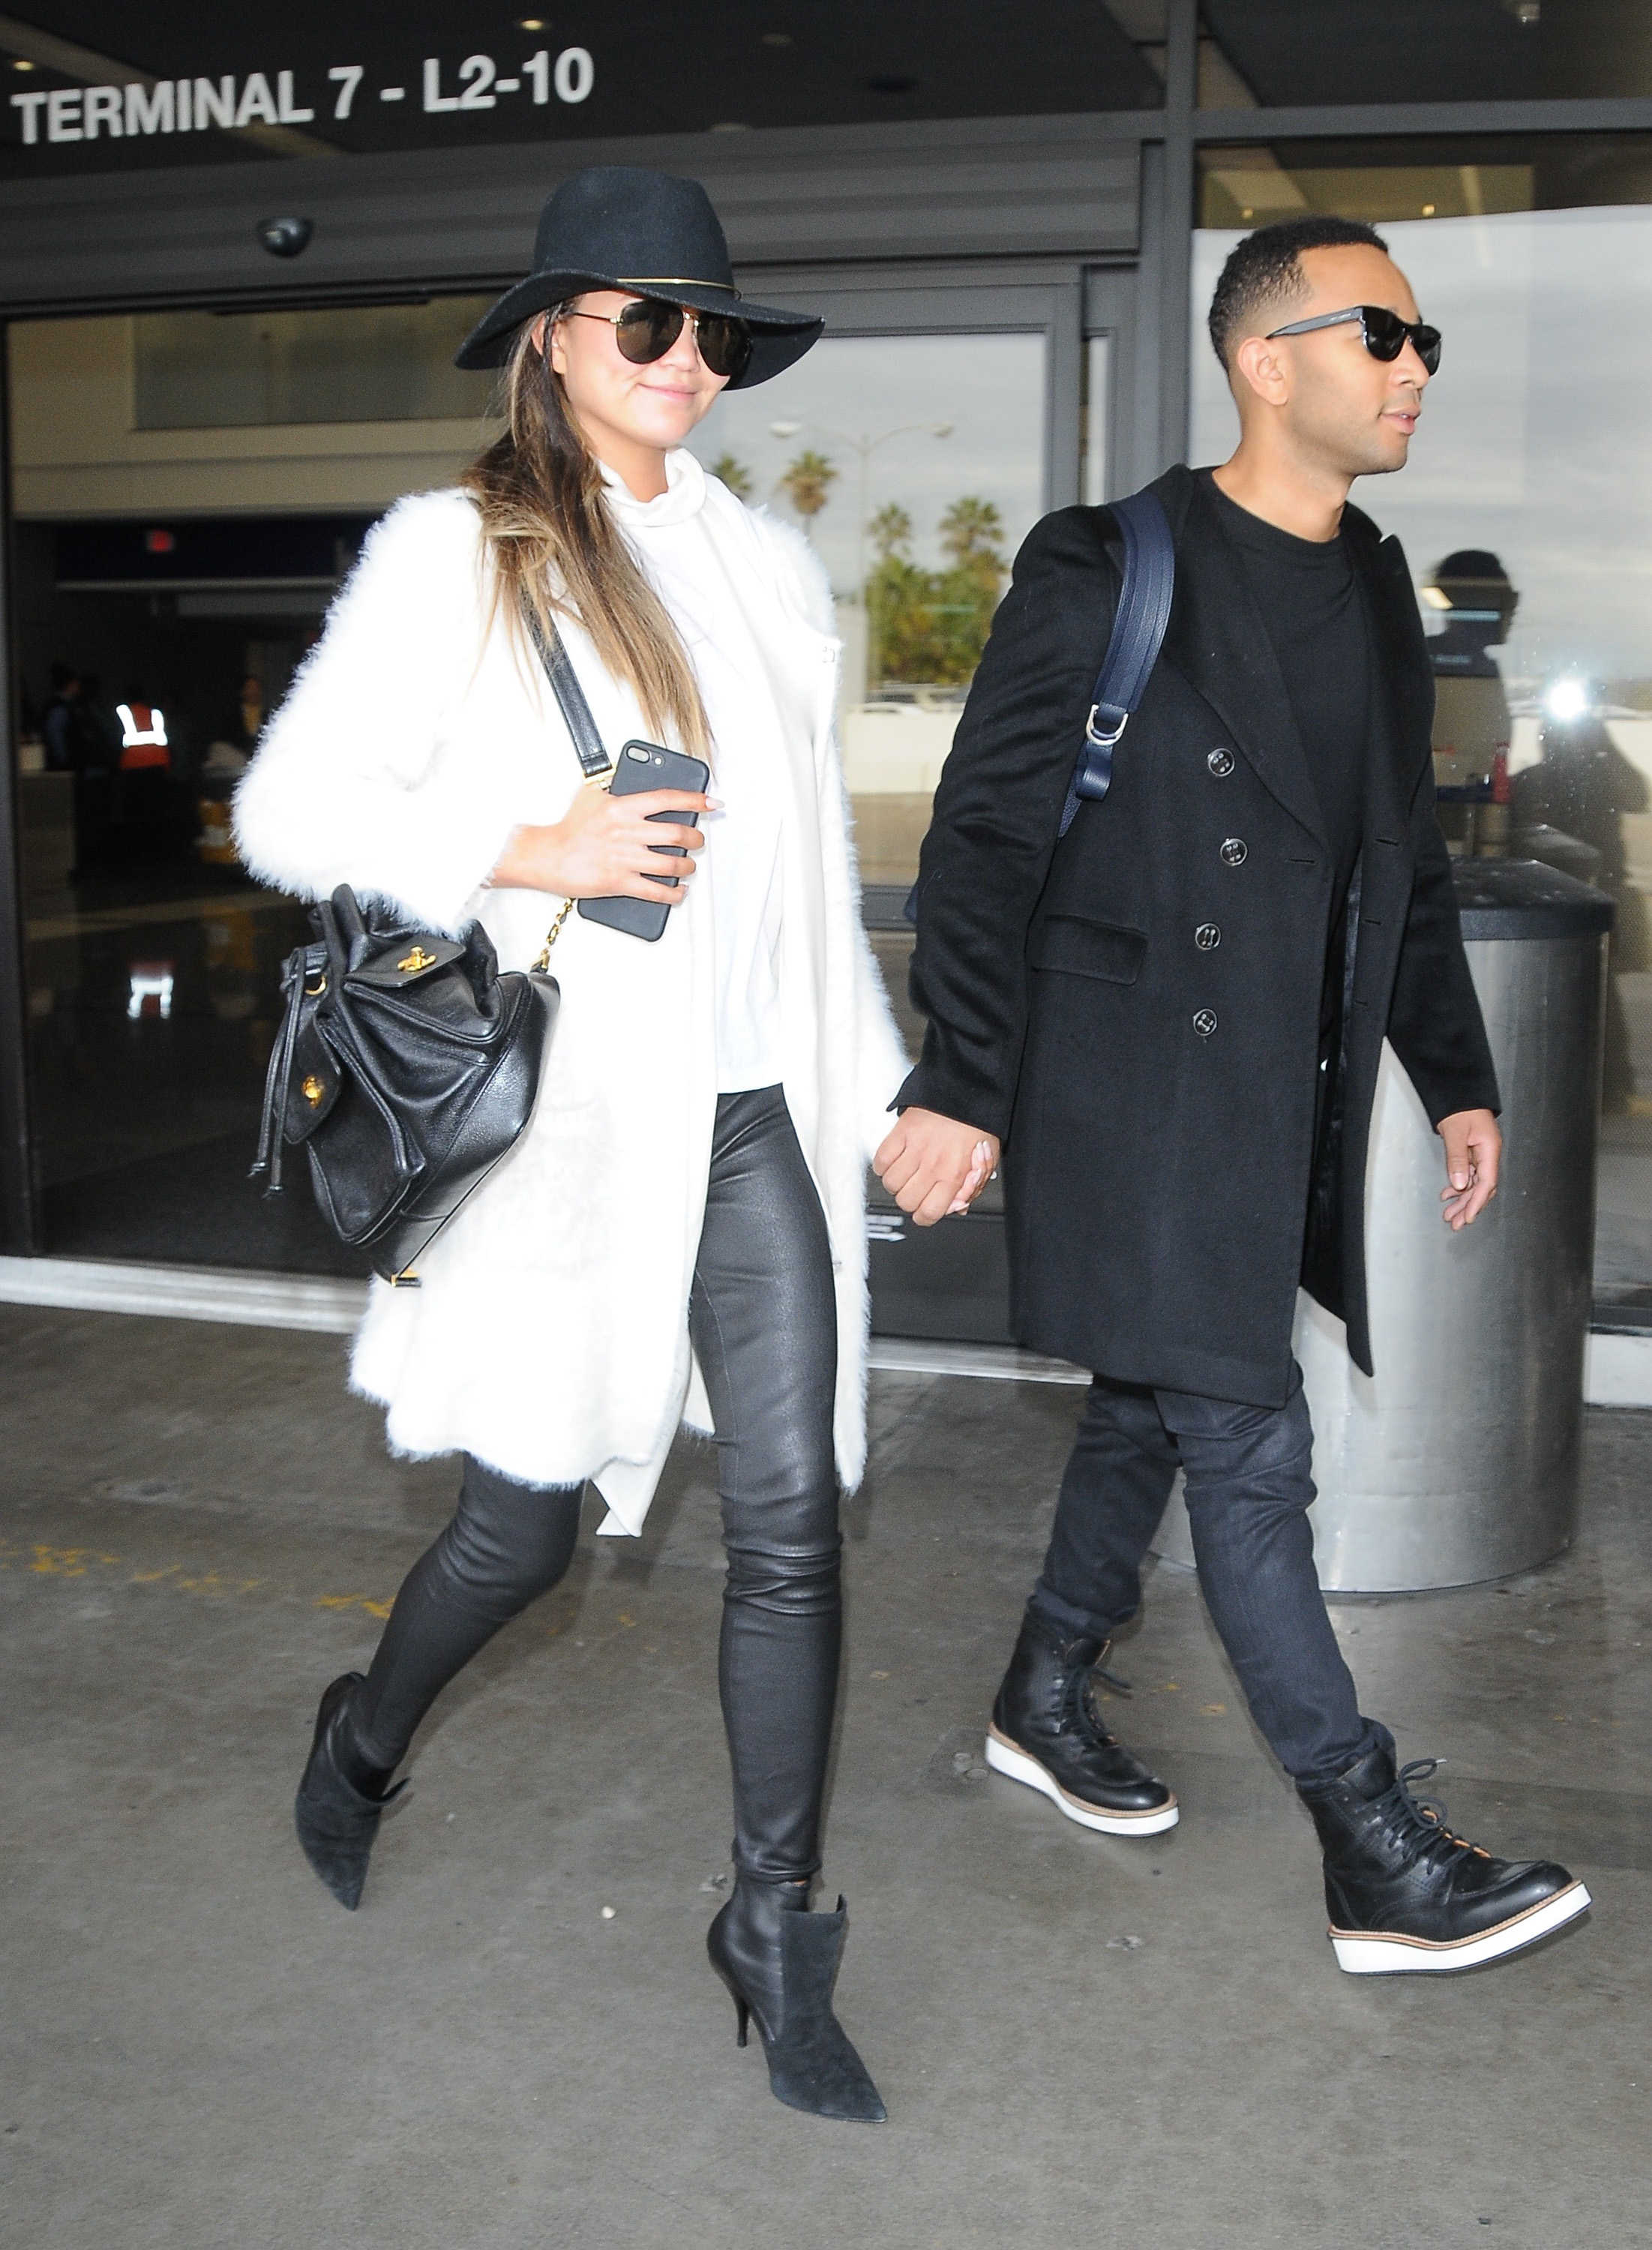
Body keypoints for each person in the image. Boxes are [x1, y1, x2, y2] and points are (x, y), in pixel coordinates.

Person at [234, 165, 908, 2120]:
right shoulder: (462, 552)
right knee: (521, 1526)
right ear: (552, 336)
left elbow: (806, 899)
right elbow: (291, 808)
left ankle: (772, 1935)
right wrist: (525, 847)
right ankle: (360, 1740)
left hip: (752, 1120)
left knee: (789, 1526)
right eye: (648, 323)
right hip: (572, 1141)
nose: (689, 360)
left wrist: (877, 1101)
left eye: (713, 331)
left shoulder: (768, 574)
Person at [877, 215, 1590, 1972]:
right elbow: (978, 839)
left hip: (1284, 1080)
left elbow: (1394, 857)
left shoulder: (1365, 579)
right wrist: (961, 1078)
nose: (1414, 369)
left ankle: (1044, 1685)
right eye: (1382, 337)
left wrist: (1454, 1069)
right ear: (1266, 361)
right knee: (1242, 1432)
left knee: (1154, 1392)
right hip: (1127, 1078)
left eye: (1426, 346)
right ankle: (1370, 1847)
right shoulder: (1106, 561)